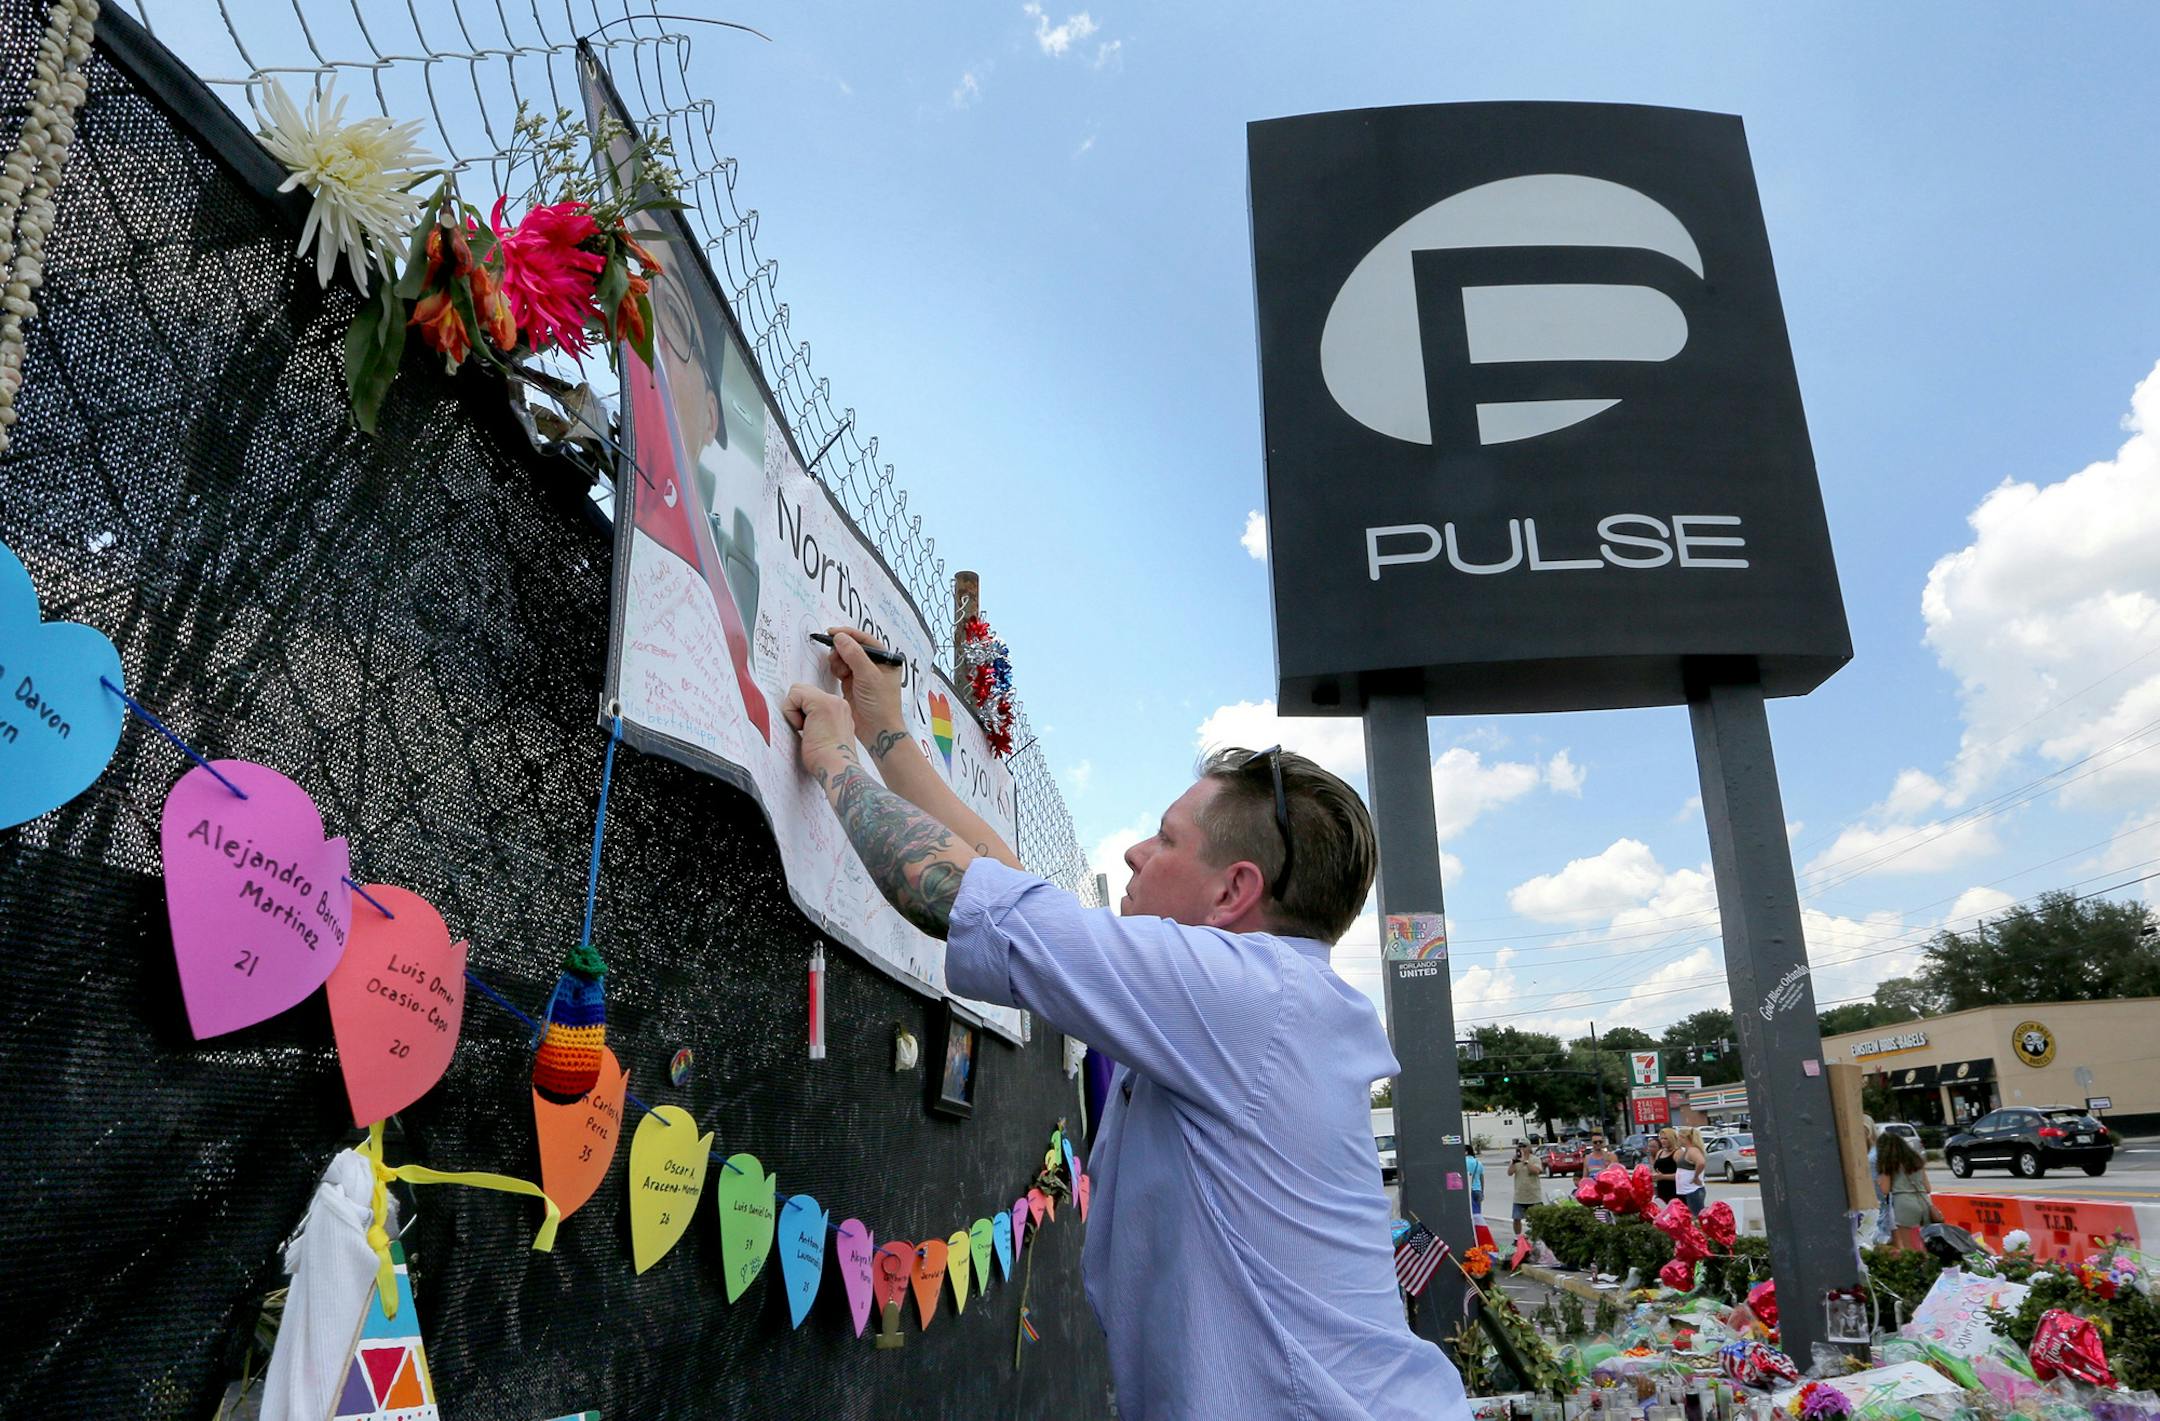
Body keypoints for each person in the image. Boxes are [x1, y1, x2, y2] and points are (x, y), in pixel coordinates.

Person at [784, 630, 1468, 1421]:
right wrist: (883, 731)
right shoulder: (1254, 1002)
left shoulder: (1248, 996)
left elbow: (950, 889)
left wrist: (832, 756)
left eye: (1169, 838)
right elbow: (1002, 885)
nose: (1138, 853)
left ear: (1232, 892)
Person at [1877, 1134, 1936, 1251]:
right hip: (1924, 1202)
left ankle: (1919, 1268)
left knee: (1910, 1248)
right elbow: (1928, 1188)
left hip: (1903, 1204)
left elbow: (1885, 1189)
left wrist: (1879, 1181)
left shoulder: (1889, 1163)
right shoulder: (1917, 1161)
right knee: (1927, 1243)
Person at [1507, 1142, 1544, 1231]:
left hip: (1533, 1195)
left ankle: (1537, 1237)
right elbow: (1510, 1173)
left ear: (1529, 1147)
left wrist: (1525, 1161)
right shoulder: (1516, 1160)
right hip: (1520, 1196)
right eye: (1520, 1146)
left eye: (1524, 1146)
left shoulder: (1535, 1159)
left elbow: (1536, 1171)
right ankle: (1517, 1237)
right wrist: (1513, 1162)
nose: (1522, 1148)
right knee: (1516, 1218)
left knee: (1537, 1219)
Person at [1675, 1128, 1709, 1214]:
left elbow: (1701, 1163)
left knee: (1697, 1217)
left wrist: (1696, 1176)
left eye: (1679, 1137)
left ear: (1684, 1138)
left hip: (1693, 1190)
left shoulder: (1693, 1150)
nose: (1678, 1140)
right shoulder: (1686, 1150)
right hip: (1687, 1191)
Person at [1651, 1128, 1680, 1204]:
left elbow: (1683, 1175)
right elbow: (1655, 1169)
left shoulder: (1678, 1153)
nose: (1663, 1141)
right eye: (1661, 1138)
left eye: (1666, 1138)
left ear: (1672, 1139)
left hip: (1675, 1189)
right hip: (1661, 1189)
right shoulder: (1660, 1152)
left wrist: (1663, 1176)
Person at [1465, 1148, 1485, 1223]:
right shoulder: (1478, 1163)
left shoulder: (1463, 1162)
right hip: (1478, 1189)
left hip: (1468, 1190)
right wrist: (1482, 1192)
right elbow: (1482, 1178)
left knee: (1470, 1214)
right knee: (1478, 1214)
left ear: (1466, 1152)